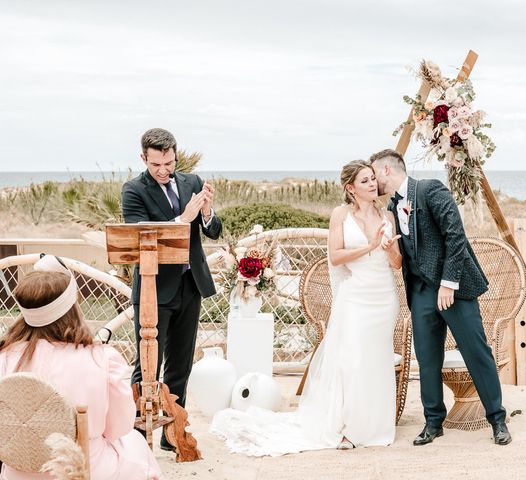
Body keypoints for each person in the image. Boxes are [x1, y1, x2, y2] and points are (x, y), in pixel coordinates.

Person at [210, 160, 402, 455]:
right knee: (350, 361)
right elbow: (336, 257)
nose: (373, 184)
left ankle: (374, 426)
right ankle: (345, 427)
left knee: (375, 360)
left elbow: (398, 263)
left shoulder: (387, 215)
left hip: (383, 296)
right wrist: (370, 247)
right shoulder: (340, 214)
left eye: (373, 179)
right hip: (355, 295)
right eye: (365, 181)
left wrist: (389, 250)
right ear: (350, 188)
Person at [369, 149, 512, 446]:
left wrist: (449, 283)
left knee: (476, 351)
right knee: (427, 359)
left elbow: (455, 236)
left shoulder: (430, 189)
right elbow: (403, 253)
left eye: (374, 174)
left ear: (386, 170)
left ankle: (497, 419)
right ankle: (434, 422)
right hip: (420, 291)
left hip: (454, 289)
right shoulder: (393, 207)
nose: (373, 181)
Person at [0, 255, 164, 479]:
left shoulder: (5, 357)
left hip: (16, 474)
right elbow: (120, 426)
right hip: (85, 470)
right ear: (72, 308)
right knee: (135, 443)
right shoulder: (101, 359)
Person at [121, 127, 222, 451]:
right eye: (156, 165)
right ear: (143, 159)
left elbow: (214, 232)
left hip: (189, 286)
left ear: (175, 155)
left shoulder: (192, 183)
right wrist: (184, 217)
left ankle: (172, 433)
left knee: (181, 363)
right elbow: (141, 238)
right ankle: (139, 437)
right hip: (153, 290)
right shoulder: (133, 190)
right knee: (146, 365)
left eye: (169, 163)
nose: (164, 171)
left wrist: (206, 213)